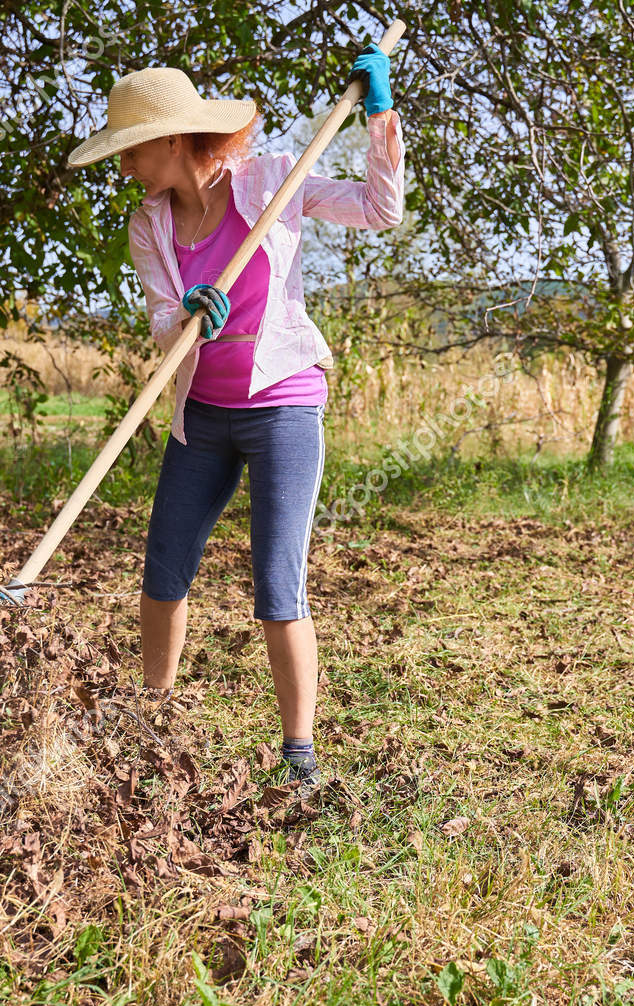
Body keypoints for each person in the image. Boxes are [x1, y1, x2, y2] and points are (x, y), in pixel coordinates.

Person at [66, 47, 404, 790]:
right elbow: (162, 322)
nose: (125, 166)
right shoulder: (148, 224)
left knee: (277, 582)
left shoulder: (270, 178)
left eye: (132, 150)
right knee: (164, 567)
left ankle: (299, 756)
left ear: (176, 140)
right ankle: (151, 722)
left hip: (281, 403)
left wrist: (381, 117)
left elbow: (381, 211)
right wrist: (183, 311)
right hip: (203, 413)